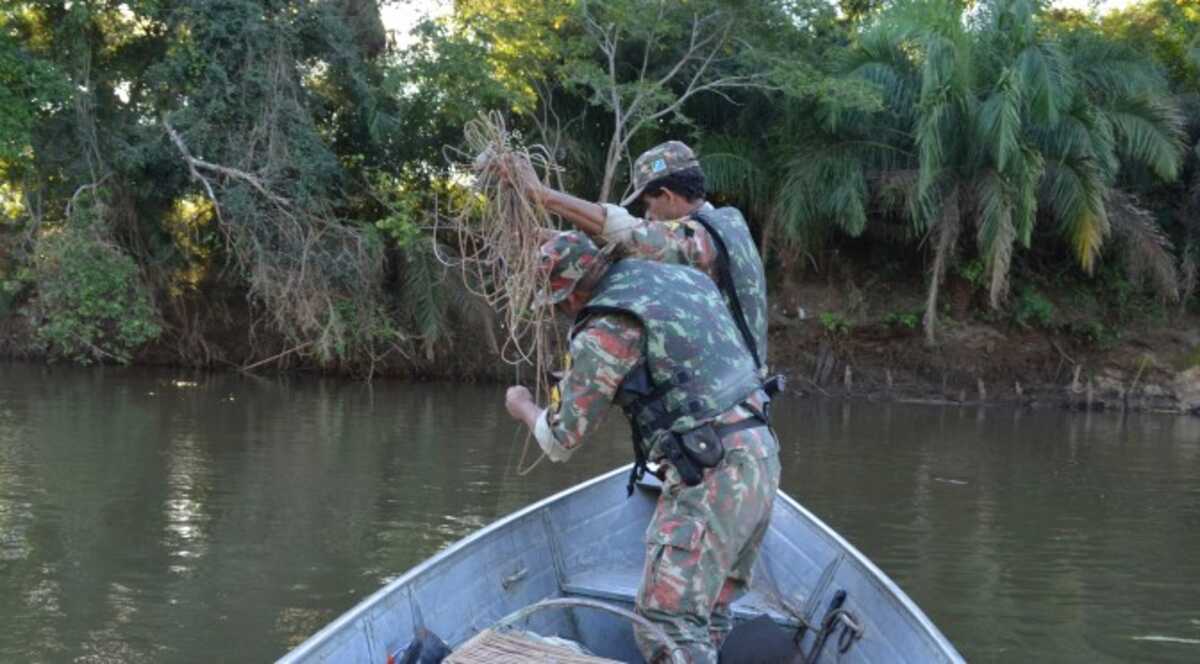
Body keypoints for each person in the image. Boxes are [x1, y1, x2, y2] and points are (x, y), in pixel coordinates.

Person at [504, 231, 781, 664]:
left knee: (665, 623)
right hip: (760, 453)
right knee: (707, 611)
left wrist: (522, 407)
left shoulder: (605, 329)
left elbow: (560, 441)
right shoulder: (681, 277)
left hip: (710, 475)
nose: (560, 314)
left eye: (557, 305)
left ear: (571, 295)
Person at [498, 141, 771, 377]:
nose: (648, 215)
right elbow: (629, 246)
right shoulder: (708, 230)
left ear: (667, 196)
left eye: (648, 205)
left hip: (731, 396)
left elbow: (634, 235)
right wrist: (542, 234)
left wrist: (541, 195)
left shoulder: (711, 233)